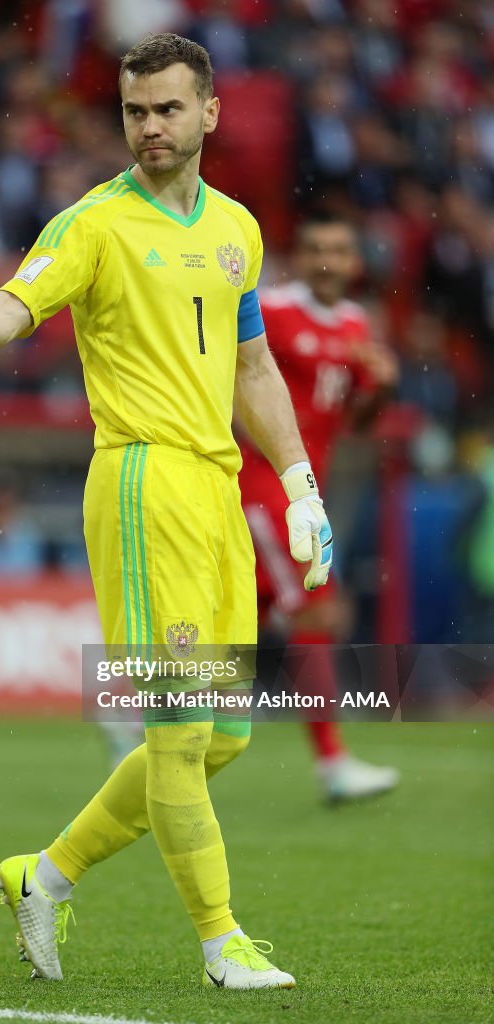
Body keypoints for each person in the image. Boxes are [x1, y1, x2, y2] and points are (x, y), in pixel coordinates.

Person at [0, 34, 332, 991]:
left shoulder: (237, 228)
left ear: (209, 112)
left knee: (227, 737)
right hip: (140, 484)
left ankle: (43, 876)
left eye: (167, 108)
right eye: (134, 111)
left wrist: (297, 483)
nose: (149, 127)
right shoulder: (92, 224)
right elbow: (12, 306)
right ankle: (221, 941)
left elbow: (251, 367)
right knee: (174, 727)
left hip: (214, 490)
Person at [238, 210, 400, 801]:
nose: (327, 260)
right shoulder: (273, 312)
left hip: (305, 493)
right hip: (263, 487)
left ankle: (138, 715)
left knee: (238, 620)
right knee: (316, 613)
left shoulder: (357, 325)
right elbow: (237, 380)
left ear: (356, 263)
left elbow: (356, 420)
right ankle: (333, 764)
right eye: (315, 248)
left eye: (338, 249)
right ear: (300, 259)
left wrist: (379, 386)